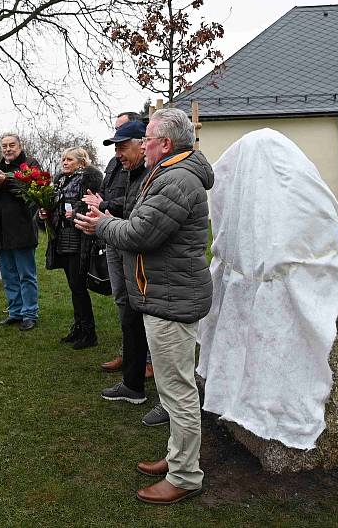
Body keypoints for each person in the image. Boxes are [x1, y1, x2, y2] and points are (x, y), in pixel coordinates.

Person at [76, 108, 213, 505]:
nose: (142, 144)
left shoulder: (177, 179)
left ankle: (186, 475)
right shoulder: (170, 173)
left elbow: (140, 232)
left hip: (172, 298)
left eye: (147, 138)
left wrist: (101, 224)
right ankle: (177, 458)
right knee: (173, 390)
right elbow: (141, 223)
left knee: (178, 391)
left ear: (165, 144)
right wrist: (108, 219)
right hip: (166, 293)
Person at [82, 120, 164, 422]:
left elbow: (140, 220)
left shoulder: (154, 174)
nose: (118, 153)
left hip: (145, 261)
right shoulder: (129, 172)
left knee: (143, 320)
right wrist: (104, 216)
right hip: (126, 249)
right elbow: (127, 207)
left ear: (143, 144)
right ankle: (132, 383)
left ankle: (149, 384)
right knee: (128, 314)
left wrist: (104, 219)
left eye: (122, 146)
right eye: (115, 147)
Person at [39, 148, 102, 349]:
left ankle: (89, 333)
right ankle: (79, 328)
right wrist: (44, 213)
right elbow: (54, 204)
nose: (64, 162)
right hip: (62, 238)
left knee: (78, 286)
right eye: (63, 159)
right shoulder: (60, 181)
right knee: (74, 286)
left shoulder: (90, 179)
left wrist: (75, 213)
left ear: (81, 162)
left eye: (69, 159)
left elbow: (92, 205)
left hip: (80, 238)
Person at [0, 133, 41, 331]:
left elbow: (31, 189)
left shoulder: (31, 164)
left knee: (26, 275)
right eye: (4, 146)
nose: (7, 149)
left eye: (11, 145)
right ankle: (15, 312)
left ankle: (30, 313)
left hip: (22, 228)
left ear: (20, 146)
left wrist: (4, 182)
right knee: (8, 275)